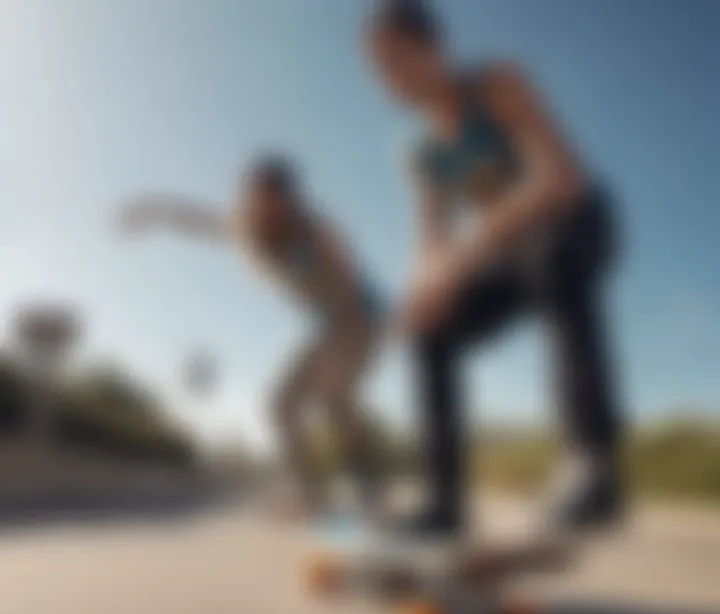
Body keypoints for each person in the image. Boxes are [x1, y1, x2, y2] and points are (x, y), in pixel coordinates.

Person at [363, 0, 624, 537]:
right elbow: (429, 244)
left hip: (575, 222)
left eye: (396, 61)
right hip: (506, 254)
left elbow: (561, 177)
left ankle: (591, 465)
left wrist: (467, 248)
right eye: (378, 71)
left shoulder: (497, 85)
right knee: (427, 327)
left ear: (433, 50)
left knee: (550, 249)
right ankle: (443, 503)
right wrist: (422, 293)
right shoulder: (418, 151)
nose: (388, 82)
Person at [119, 156, 385, 517]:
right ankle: (311, 492)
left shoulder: (315, 229)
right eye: (257, 199)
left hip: (360, 317)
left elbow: (348, 280)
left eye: (275, 200)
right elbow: (196, 219)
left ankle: (366, 484)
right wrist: (151, 210)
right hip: (325, 326)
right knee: (279, 404)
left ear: (289, 200)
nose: (265, 210)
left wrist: (337, 355)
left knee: (333, 398)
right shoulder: (243, 225)